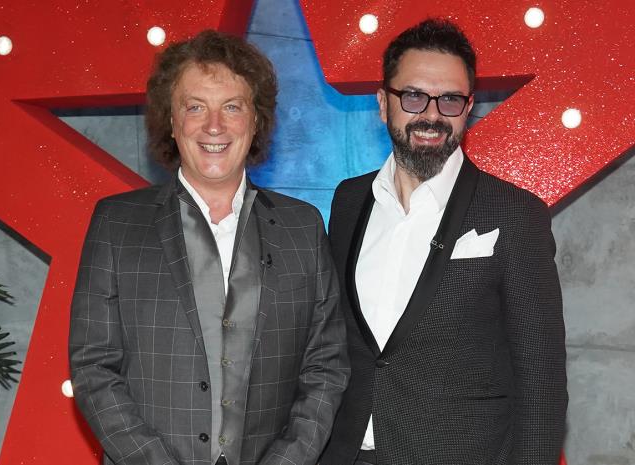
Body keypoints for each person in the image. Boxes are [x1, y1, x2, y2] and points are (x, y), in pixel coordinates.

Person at [69, 30, 349, 465]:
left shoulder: (303, 227)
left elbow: (325, 367)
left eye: (232, 107)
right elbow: (93, 367)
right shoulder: (117, 224)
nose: (214, 126)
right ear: (171, 121)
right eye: (195, 106)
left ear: (255, 121)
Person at [320, 18, 567, 465]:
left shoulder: (514, 214)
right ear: (383, 103)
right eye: (413, 96)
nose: (432, 115)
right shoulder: (349, 200)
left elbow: (542, 381)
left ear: (468, 107)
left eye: (450, 99)